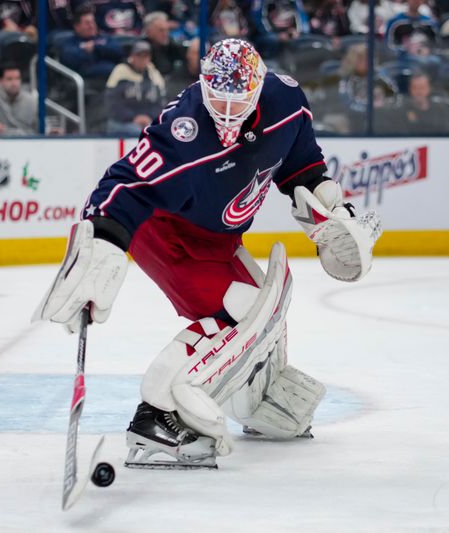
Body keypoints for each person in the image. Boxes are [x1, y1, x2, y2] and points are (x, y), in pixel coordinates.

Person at [33, 38, 382, 469]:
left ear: (260, 88)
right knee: (248, 308)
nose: (227, 113)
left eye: (239, 101)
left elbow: (302, 164)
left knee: (265, 305)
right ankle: (159, 415)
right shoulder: (185, 131)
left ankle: (256, 404)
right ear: (201, 84)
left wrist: (329, 208)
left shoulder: (288, 102)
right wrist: (103, 240)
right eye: (217, 98)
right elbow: (123, 184)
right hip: (166, 232)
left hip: (217, 240)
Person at [104, 40, 167, 135]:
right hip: (122, 121)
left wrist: (149, 117)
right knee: (139, 133)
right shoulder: (120, 71)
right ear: (132, 56)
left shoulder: (154, 74)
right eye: (139, 55)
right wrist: (133, 118)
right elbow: (112, 102)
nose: (142, 59)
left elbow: (161, 102)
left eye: (145, 56)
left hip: (148, 120)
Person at [59, 4, 124, 83]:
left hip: (114, 79)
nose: (91, 25)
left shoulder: (104, 38)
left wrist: (96, 48)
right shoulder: (70, 43)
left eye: (93, 22)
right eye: (87, 23)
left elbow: (118, 51)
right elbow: (71, 60)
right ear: (77, 26)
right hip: (89, 82)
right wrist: (87, 52)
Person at [0, 63, 39, 135]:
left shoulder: (31, 101)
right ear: (0, 81)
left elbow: (39, 129)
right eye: (9, 79)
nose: (14, 83)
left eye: (17, 78)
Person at [142, 11, 185, 78]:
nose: (165, 34)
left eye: (167, 30)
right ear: (148, 32)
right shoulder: (141, 50)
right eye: (161, 30)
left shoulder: (171, 44)